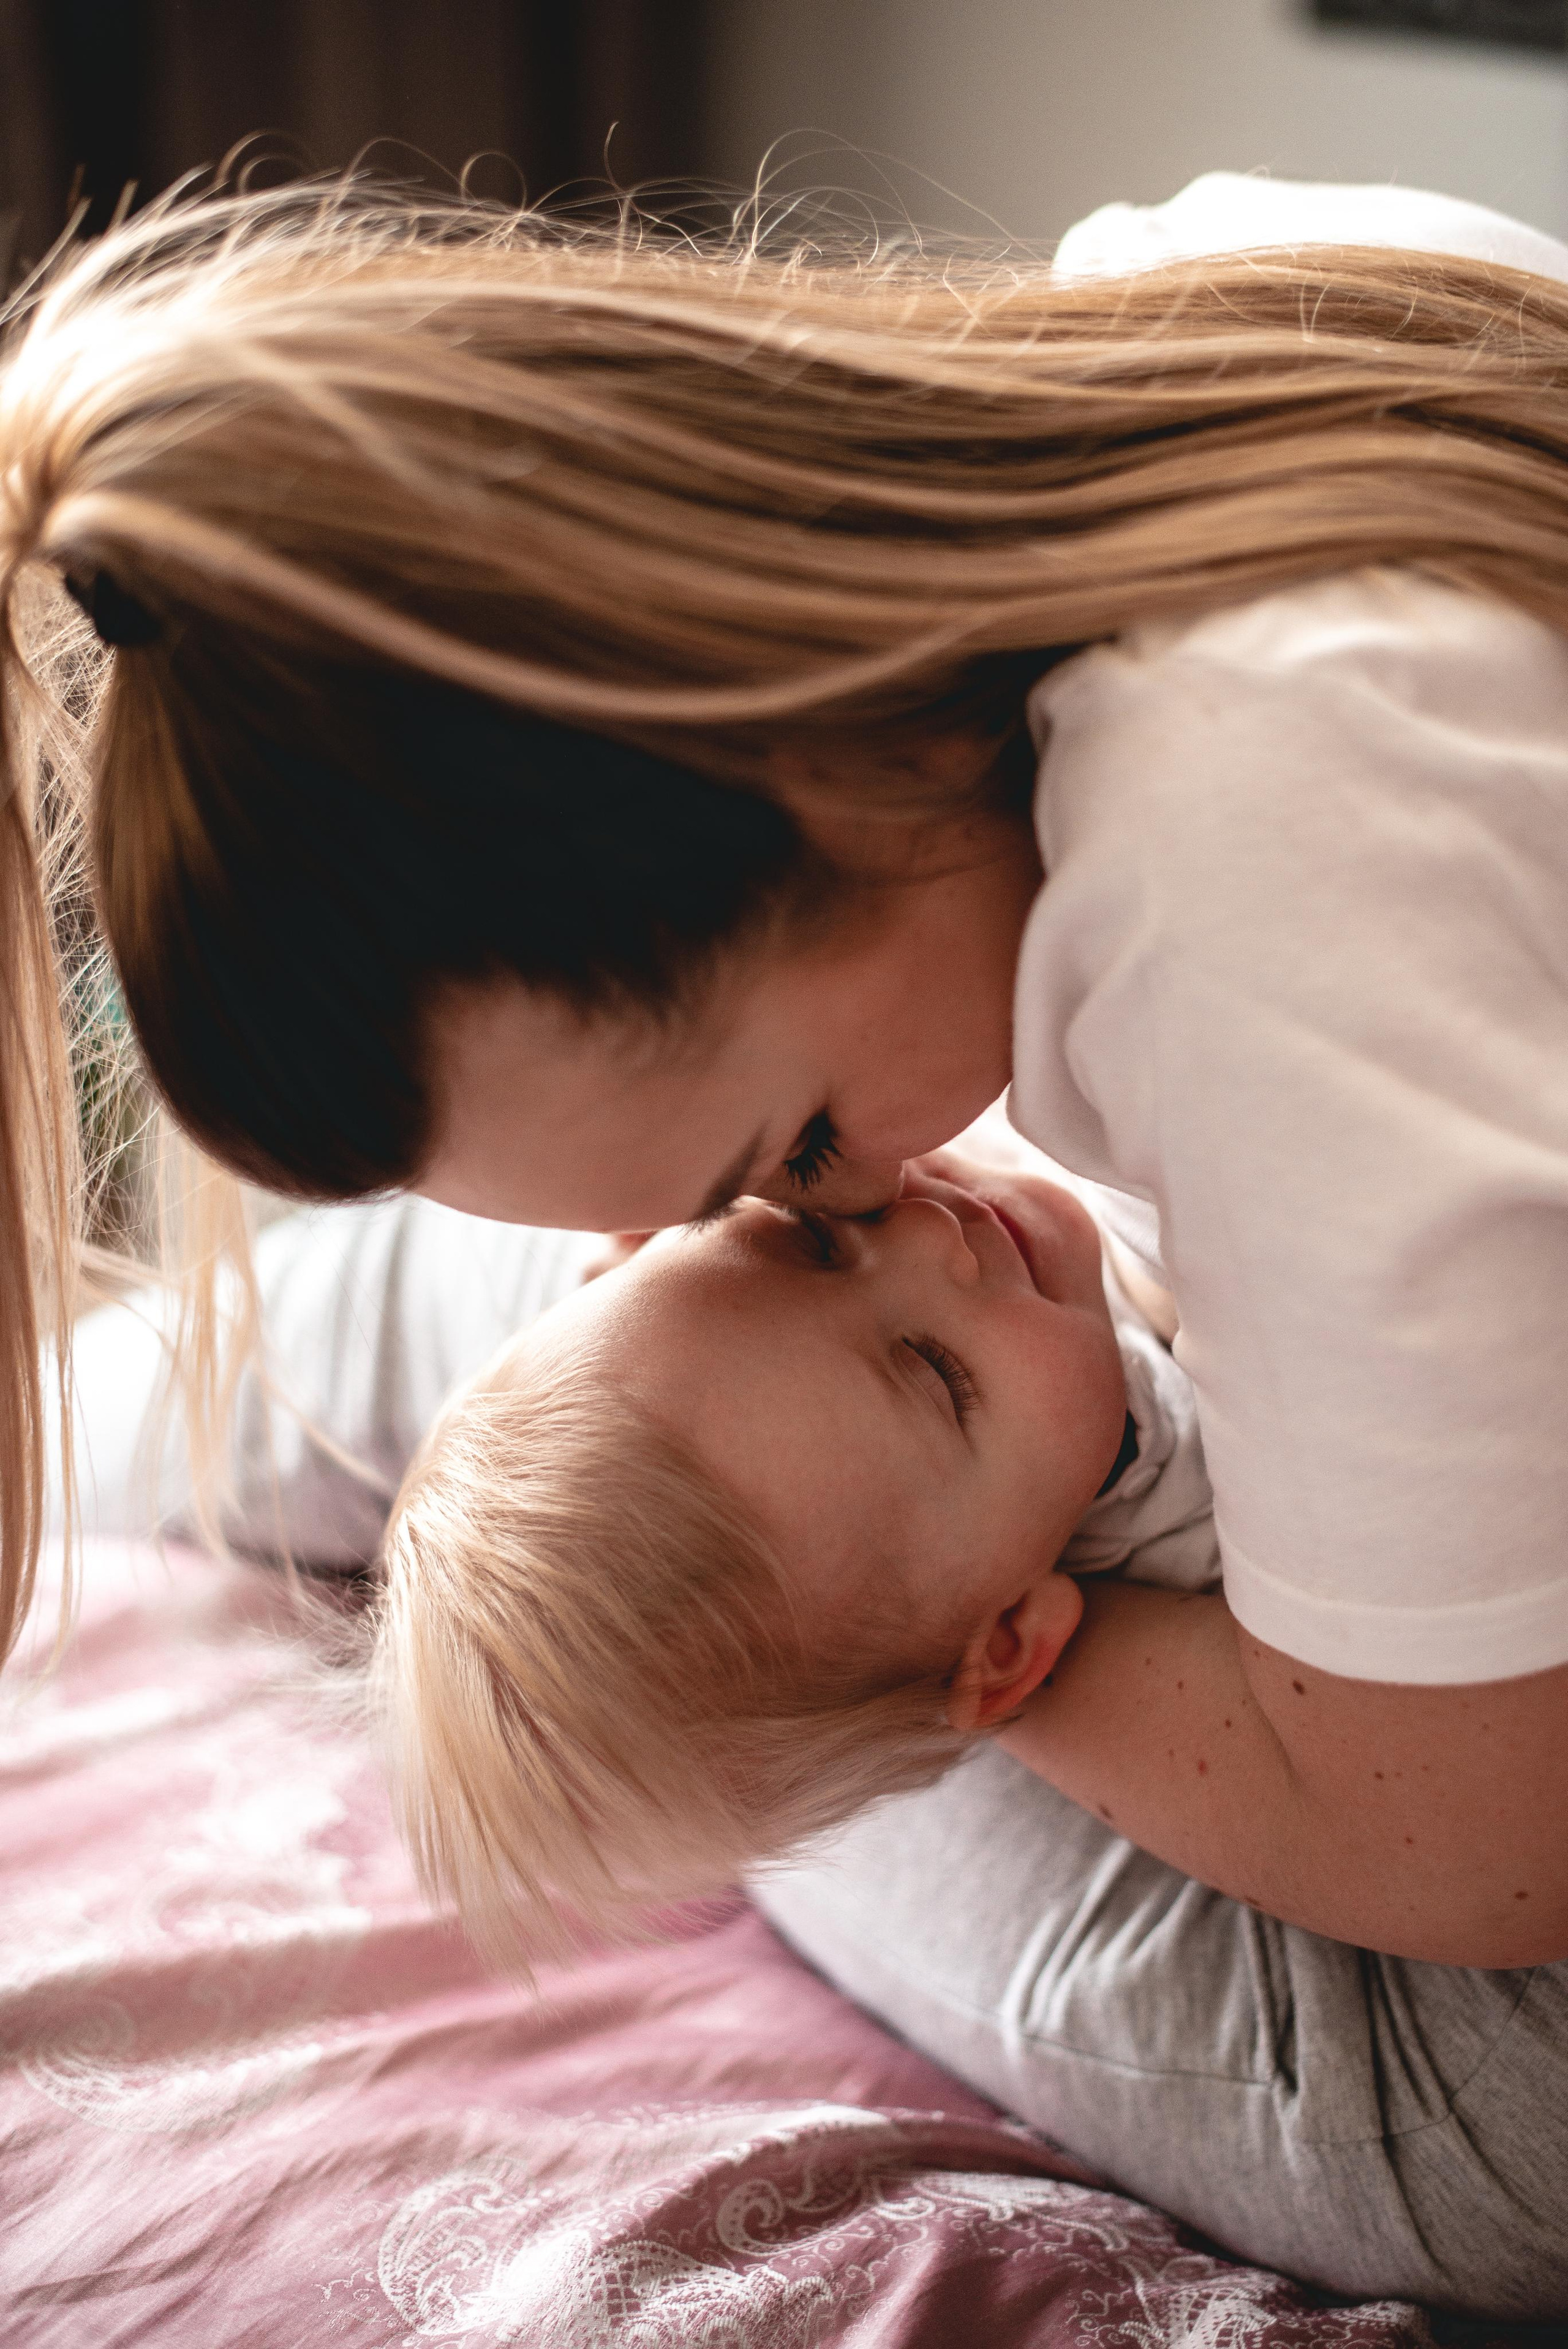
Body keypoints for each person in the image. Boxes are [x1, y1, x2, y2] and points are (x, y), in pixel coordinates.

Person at [7, 168, 1568, 2313]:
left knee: (706, 1637)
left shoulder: (1258, 874)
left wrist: (953, 1667)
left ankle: (206, 1437)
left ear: (803, 740)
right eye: (776, 1195)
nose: (880, 1199)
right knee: (684, 1398)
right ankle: (162, 1435)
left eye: (797, 1138)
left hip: (1509, 1992)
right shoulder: (1204, 313)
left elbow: (1480, 1848)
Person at [374, 1158, 1216, 1956]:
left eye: (810, 1235)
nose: (925, 1229)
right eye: (933, 1371)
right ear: (1005, 1644)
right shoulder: (1220, 1522)